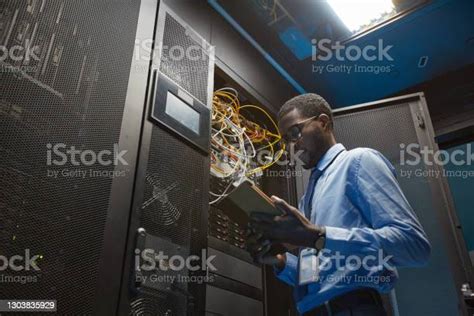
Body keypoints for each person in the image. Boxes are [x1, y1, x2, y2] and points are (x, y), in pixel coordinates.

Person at [246, 93, 431, 316]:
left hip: (355, 308)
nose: (291, 147)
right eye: (286, 140)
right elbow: (317, 274)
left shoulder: (359, 161)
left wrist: (320, 237)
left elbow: (415, 246)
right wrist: (281, 262)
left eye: (295, 133)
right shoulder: (308, 198)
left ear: (323, 122)